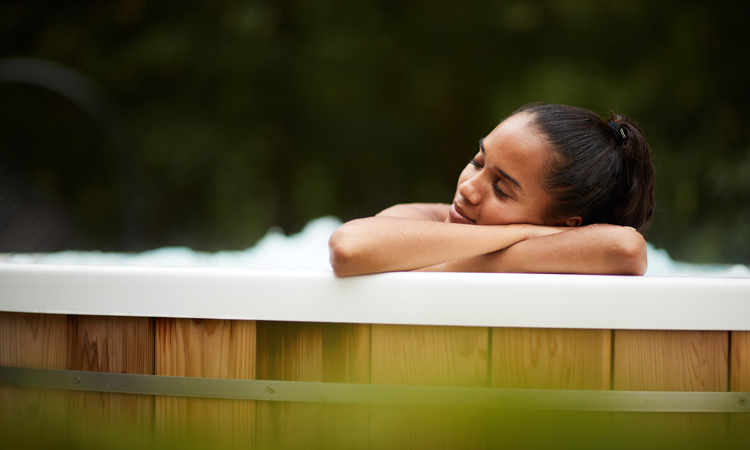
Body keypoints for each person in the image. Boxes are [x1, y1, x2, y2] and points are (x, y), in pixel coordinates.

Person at [329, 103, 655, 277]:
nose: (469, 188)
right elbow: (349, 247)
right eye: (477, 161)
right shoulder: (421, 218)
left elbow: (626, 248)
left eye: (501, 189)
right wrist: (531, 235)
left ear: (564, 226)